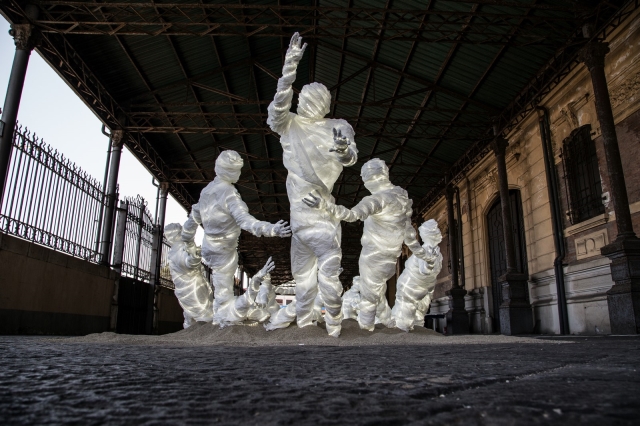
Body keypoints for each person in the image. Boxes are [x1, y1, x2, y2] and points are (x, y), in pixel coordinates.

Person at [266, 32, 358, 337]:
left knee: (328, 273)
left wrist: (343, 151)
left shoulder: (338, 126)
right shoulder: (289, 124)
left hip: (321, 215)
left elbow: (350, 156)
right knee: (303, 280)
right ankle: (306, 326)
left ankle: (333, 325)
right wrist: (289, 69)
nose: (305, 104)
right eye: (302, 100)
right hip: (299, 220)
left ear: (324, 105)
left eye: (312, 101)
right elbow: (276, 111)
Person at [302, 158, 433, 331]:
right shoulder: (401, 200)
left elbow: (352, 215)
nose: (365, 184)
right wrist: (423, 255)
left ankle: (366, 330)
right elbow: (409, 235)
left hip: (373, 257)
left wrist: (325, 206)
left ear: (370, 179)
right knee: (378, 293)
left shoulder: (378, 200)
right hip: (390, 260)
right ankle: (389, 323)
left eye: (364, 179)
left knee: (369, 299)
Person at [181, 150, 291, 325]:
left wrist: (186, 238)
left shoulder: (206, 191)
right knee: (222, 290)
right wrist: (271, 229)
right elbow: (245, 221)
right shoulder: (228, 193)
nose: (239, 174)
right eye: (237, 170)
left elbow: (194, 216)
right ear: (230, 171)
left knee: (219, 284)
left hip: (208, 246)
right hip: (224, 249)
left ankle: (222, 313)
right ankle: (223, 318)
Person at [391, 219, 443, 332]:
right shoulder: (424, 251)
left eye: (437, 230)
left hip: (425, 287)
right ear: (430, 235)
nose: (439, 232)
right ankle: (401, 334)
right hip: (410, 286)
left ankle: (417, 333)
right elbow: (424, 271)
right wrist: (430, 261)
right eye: (436, 230)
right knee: (405, 316)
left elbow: (435, 272)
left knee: (419, 314)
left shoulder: (437, 252)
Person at [164, 223, 213, 328]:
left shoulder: (180, 249)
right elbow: (188, 262)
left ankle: (202, 329)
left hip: (191, 286)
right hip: (188, 286)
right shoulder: (179, 249)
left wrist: (194, 257)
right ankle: (197, 328)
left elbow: (188, 262)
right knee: (196, 310)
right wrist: (194, 257)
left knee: (199, 310)